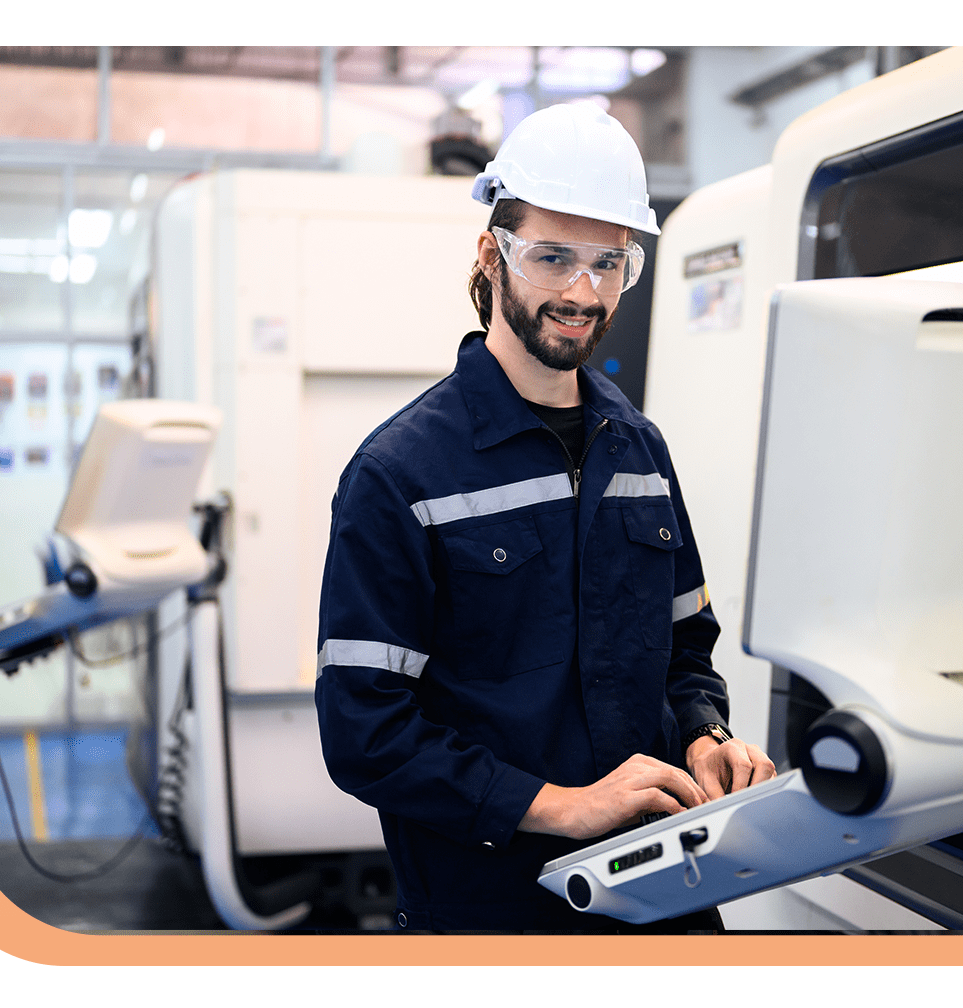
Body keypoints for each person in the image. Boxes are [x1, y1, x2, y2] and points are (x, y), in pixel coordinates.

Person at [315, 103, 775, 933]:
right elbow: (363, 729)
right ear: (491, 256)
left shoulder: (639, 449)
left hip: (663, 895)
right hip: (495, 913)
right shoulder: (398, 475)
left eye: (610, 263)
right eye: (552, 257)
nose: (583, 292)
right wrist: (561, 806)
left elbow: (684, 649)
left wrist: (705, 736)